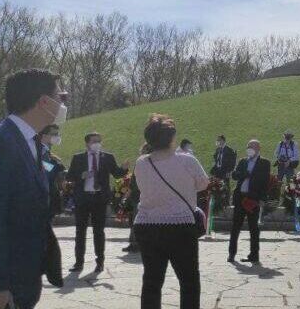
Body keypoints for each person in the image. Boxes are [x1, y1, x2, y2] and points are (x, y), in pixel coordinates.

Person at [0, 69, 64, 309]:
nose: (63, 103)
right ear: (43, 101)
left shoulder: (31, 143)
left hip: (24, 279)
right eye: (60, 96)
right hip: (2, 288)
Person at [133, 114, 209, 309]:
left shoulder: (141, 163)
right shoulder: (187, 160)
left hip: (146, 225)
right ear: (171, 138)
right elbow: (203, 184)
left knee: (151, 281)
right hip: (180, 225)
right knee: (189, 281)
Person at [66, 130, 129, 272]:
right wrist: (81, 175)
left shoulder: (107, 157)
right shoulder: (78, 158)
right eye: (94, 141)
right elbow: (69, 176)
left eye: (99, 141)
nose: (97, 144)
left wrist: (124, 169)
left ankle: (100, 262)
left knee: (99, 231)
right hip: (83, 198)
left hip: (99, 198)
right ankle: (78, 262)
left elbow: (116, 173)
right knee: (80, 231)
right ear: (87, 143)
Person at [229, 140, 271, 264]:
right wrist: (243, 174)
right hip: (240, 198)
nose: (249, 148)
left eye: (251, 146)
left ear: (258, 148)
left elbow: (265, 182)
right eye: (247, 146)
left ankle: (254, 255)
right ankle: (231, 253)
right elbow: (234, 175)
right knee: (235, 227)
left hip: (253, 199)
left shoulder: (264, 163)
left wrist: (262, 199)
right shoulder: (243, 161)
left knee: (254, 228)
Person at [38, 124, 67, 217]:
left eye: (58, 134)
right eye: (54, 134)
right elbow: (41, 166)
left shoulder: (47, 151)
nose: (57, 136)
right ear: (44, 135)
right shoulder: (39, 150)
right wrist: (56, 166)